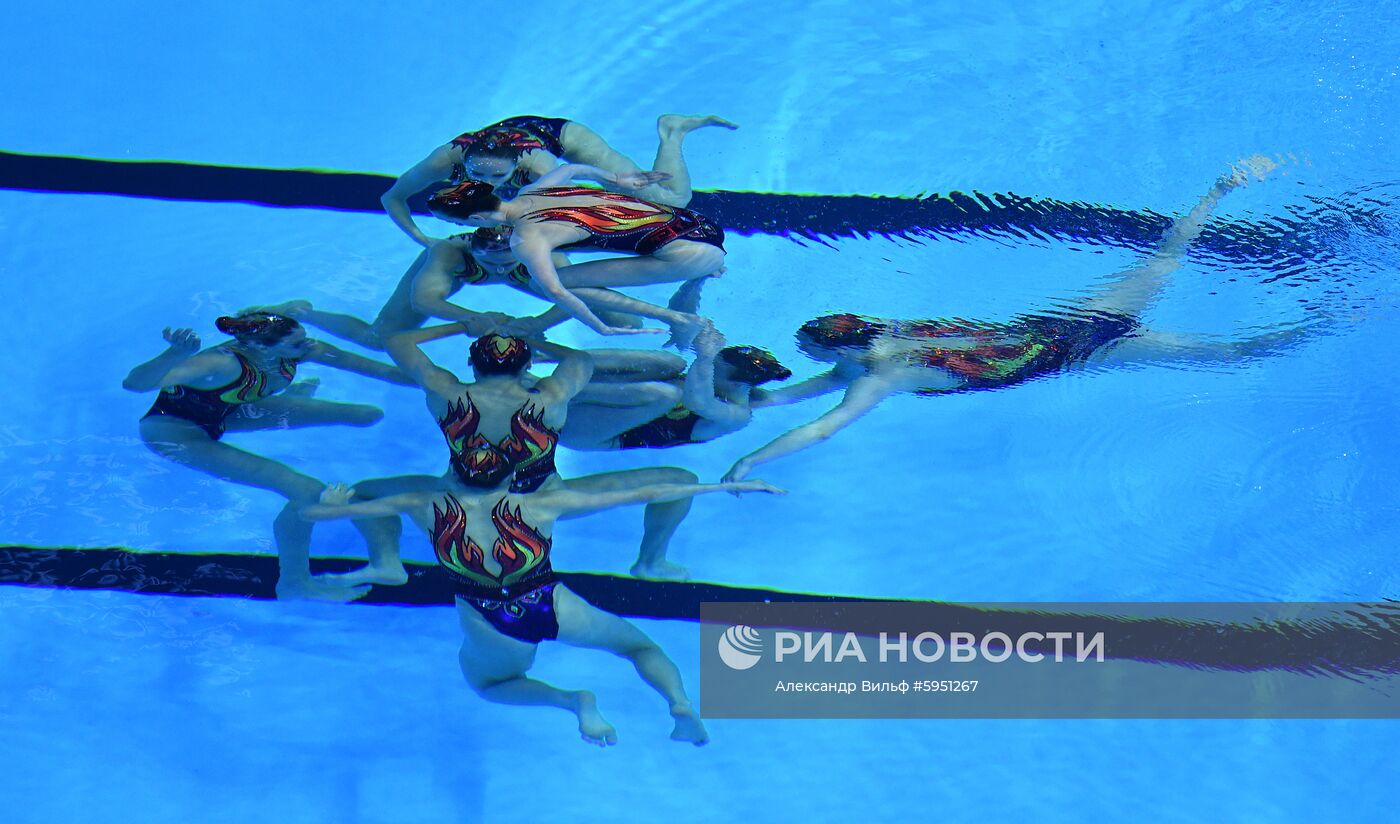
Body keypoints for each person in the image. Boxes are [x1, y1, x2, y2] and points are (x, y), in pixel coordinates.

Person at [723, 157, 1318, 483]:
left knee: (1233, 354)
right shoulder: (893, 335)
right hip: (1080, 321)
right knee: (1164, 256)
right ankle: (1221, 187)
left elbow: (824, 425)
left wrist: (751, 459)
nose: (820, 366)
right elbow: (809, 392)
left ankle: (1330, 322)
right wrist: (751, 402)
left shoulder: (881, 378)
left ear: (846, 352)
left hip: (1094, 349)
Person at [301, 459, 783, 746]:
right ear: (510, 479)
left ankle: (573, 702)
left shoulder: (422, 503)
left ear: (452, 477)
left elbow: (317, 512)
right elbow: (654, 491)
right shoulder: (540, 505)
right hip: (550, 602)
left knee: (491, 684)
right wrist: (728, 486)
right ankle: (678, 705)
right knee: (639, 648)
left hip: (488, 619)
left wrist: (334, 498)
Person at [122, 311, 413, 600]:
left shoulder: (295, 348)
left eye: (304, 337)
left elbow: (380, 370)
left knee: (365, 415)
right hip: (176, 431)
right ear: (260, 347)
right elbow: (135, 384)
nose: (309, 345)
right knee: (308, 493)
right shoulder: (221, 363)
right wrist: (174, 353)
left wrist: (442, 384)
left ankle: (291, 395)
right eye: (297, 343)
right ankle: (294, 583)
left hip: (230, 410)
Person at [425, 175, 726, 345]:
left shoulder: (526, 240)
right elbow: (572, 167)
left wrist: (601, 327)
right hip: (701, 224)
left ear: (476, 218)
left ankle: (672, 316)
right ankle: (703, 272)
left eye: (457, 224)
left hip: (693, 255)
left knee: (548, 283)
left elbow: (557, 291)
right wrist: (616, 179)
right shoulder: (533, 190)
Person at [382, 114, 736, 247]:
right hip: (511, 143)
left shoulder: (538, 165)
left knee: (672, 200)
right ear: (465, 160)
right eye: (477, 173)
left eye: (497, 176)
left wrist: (617, 182)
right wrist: (423, 240)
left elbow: (582, 194)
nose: (486, 181)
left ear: (515, 164)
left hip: (561, 135)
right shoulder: (444, 160)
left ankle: (672, 133)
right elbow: (392, 198)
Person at [561, 322, 792, 451]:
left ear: (734, 383)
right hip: (592, 396)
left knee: (666, 393)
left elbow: (697, 401)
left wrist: (705, 357)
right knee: (670, 362)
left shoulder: (736, 414)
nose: (704, 368)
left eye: (713, 367)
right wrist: (697, 281)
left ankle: (556, 388)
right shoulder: (717, 380)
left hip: (585, 430)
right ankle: (545, 354)